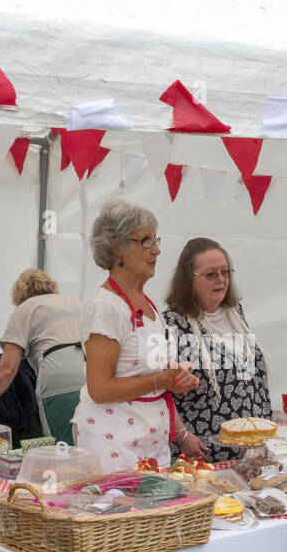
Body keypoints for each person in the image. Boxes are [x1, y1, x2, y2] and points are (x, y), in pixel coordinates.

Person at [74, 200, 203, 471]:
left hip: (152, 440)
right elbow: (100, 389)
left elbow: (150, 370)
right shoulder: (105, 308)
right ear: (116, 246)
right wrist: (161, 380)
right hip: (113, 444)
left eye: (156, 240)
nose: (156, 249)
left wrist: (175, 377)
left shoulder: (149, 303)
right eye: (145, 241)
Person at [162, 238, 272, 463]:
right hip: (204, 455)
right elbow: (159, 391)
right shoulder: (172, 324)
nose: (221, 279)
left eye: (225, 272)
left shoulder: (235, 313)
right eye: (211, 274)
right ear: (188, 279)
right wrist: (182, 436)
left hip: (251, 455)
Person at [0, 268, 84, 444]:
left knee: (63, 448)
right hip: (91, 377)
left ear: (19, 294)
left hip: (58, 379)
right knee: (89, 444)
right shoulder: (77, 304)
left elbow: (7, 369)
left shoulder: (26, 309)